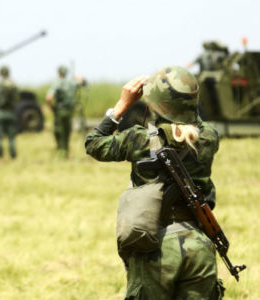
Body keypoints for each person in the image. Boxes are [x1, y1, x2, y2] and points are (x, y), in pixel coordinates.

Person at [85, 66, 224, 299]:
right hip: (200, 246)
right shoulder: (209, 137)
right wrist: (184, 100)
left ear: (158, 105)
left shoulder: (139, 139)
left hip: (155, 249)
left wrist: (122, 105)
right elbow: (192, 123)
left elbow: (93, 143)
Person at [46, 66, 84, 158]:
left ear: (58, 72)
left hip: (59, 111)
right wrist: (77, 77)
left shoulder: (57, 82)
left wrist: (51, 108)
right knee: (67, 131)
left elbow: (49, 98)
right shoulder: (71, 82)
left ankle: (60, 151)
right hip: (69, 111)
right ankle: (66, 152)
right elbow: (81, 82)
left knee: (59, 131)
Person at [0, 65, 19, 158]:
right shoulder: (13, 84)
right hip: (11, 112)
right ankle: (13, 154)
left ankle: (0, 155)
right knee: (12, 136)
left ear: (1, 73)